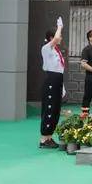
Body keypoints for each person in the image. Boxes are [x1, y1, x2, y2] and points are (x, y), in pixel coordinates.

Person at [39, 17, 65, 149]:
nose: (60, 38)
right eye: (58, 35)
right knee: (49, 108)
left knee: (55, 110)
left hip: (57, 81)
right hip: (50, 81)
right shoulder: (46, 48)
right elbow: (55, 39)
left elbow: (60, 70)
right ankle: (43, 139)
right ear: (51, 37)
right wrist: (59, 26)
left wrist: (62, 87)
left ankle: (49, 136)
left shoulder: (56, 51)